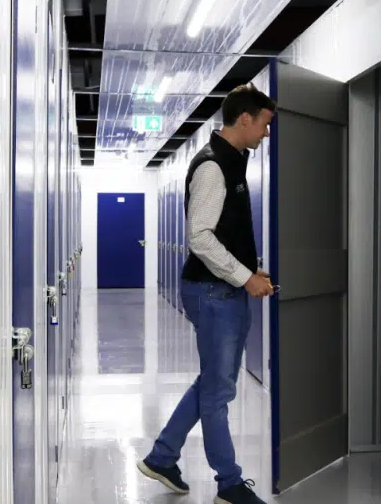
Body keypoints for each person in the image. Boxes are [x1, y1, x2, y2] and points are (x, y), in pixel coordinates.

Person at [138, 84, 276, 504]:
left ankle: (163, 456)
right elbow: (200, 237)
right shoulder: (213, 166)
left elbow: (224, 232)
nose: (267, 132)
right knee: (218, 392)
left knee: (214, 383)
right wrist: (244, 277)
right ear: (245, 119)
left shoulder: (232, 161)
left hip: (222, 288)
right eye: (265, 123)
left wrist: (249, 270)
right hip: (213, 292)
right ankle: (229, 484)